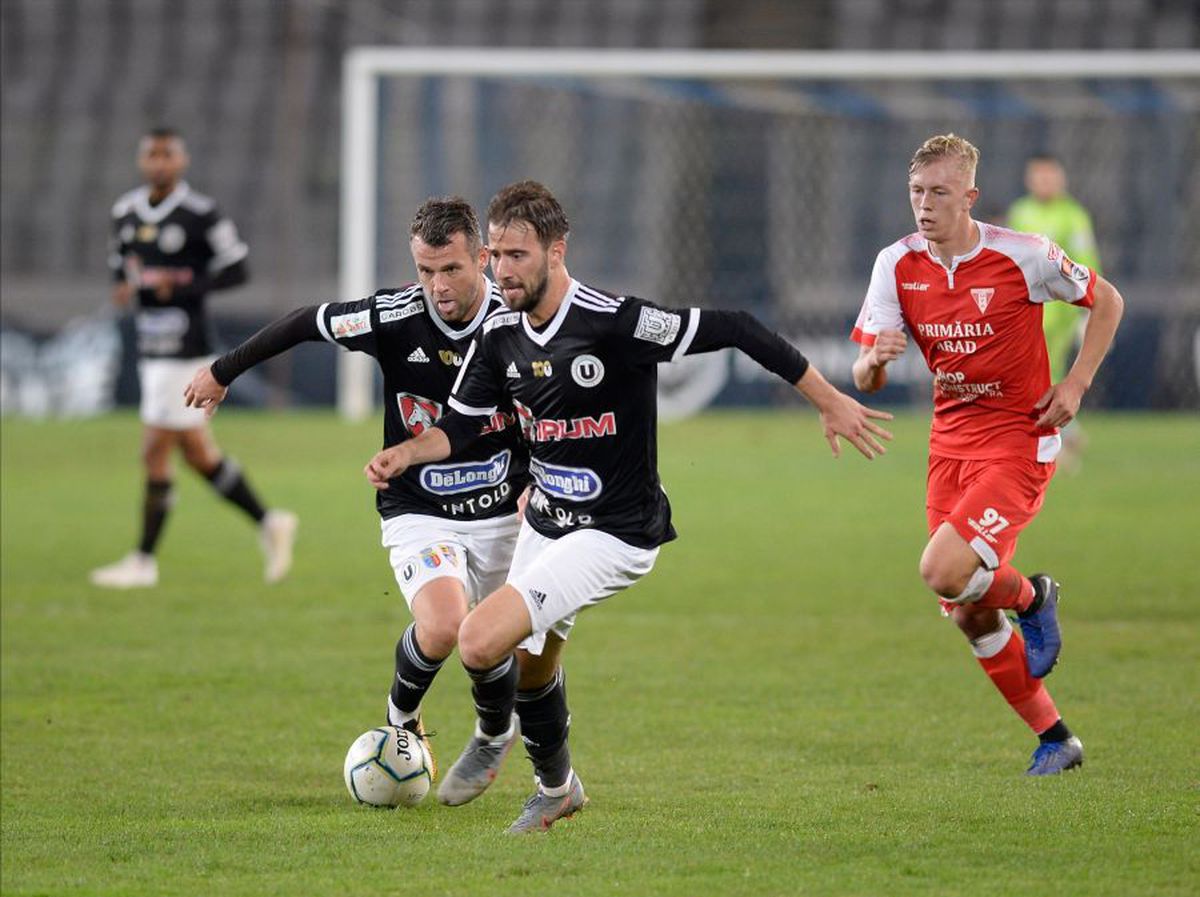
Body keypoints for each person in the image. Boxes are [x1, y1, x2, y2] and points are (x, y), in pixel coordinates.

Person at [364, 180, 894, 832]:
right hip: (546, 520)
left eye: (517, 255)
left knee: (477, 638)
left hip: (615, 530)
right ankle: (558, 788)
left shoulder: (615, 322)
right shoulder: (500, 333)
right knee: (531, 666)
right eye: (496, 255)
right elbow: (460, 426)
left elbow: (737, 327)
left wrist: (828, 398)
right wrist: (406, 454)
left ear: (557, 251)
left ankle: (493, 735)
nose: (502, 271)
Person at [184, 197, 530, 797]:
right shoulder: (394, 317)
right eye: (425, 270)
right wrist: (223, 370)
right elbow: (304, 322)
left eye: (451, 269)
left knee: (499, 645)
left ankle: (504, 740)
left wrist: (539, 481)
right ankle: (402, 724)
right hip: (420, 506)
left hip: (505, 513)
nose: (437, 286)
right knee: (444, 625)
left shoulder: (518, 323)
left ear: (482, 259)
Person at [850, 134, 1123, 776]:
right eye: (917, 192)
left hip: (1018, 440)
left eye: (939, 193)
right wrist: (874, 361)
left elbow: (1107, 300)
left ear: (969, 196)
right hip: (949, 445)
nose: (925, 205)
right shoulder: (896, 263)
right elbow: (865, 377)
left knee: (942, 570)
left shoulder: (1023, 255)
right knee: (969, 612)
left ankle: (1031, 598)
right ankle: (1056, 739)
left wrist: (1076, 383)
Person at [91, 127, 297, 589]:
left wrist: (184, 287)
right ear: (142, 160)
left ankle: (143, 560)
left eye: (167, 154)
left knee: (154, 449)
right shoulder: (125, 212)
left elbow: (238, 269)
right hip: (151, 346)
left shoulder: (201, 214)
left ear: (181, 161)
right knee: (198, 453)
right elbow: (120, 264)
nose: (159, 162)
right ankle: (270, 522)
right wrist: (122, 287)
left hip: (185, 347)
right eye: (152, 154)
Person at [1007, 153, 1103, 470]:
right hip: (1024, 311)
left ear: (1061, 178)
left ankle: (1054, 444)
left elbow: (1087, 263)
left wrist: (1089, 311)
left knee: (1044, 377)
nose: (1044, 181)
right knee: (1037, 378)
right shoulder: (1020, 212)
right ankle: (1067, 435)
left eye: (1050, 175)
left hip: (1059, 314)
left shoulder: (1073, 217)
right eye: (1039, 175)